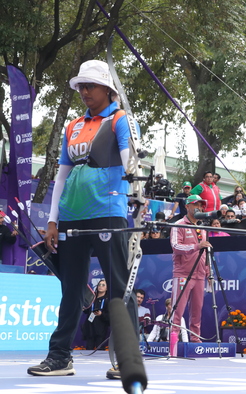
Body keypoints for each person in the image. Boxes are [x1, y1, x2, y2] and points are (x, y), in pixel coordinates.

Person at [28, 60, 140, 377]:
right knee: (72, 290)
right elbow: (61, 176)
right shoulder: (73, 126)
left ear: (107, 89)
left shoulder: (120, 120)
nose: (84, 91)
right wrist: (53, 220)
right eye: (81, 86)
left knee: (118, 288)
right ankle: (60, 357)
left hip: (108, 214)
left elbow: (131, 163)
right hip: (71, 218)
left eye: (90, 85)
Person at [170, 195, 212, 342]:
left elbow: (204, 253)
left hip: (199, 275)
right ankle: (173, 340)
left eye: (201, 205)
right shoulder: (178, 224)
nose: (199, 207)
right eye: (196, 205)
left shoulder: (202, 228)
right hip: (183, 274)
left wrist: (209, 274)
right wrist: (196, 246)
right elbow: (175, 246)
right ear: (187, 206)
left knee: (197, 310)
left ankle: (195, 339)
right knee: (177, 310)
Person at [82, 279, 110, 350]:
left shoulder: (107, 300)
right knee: (89, 347)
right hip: (90, 325)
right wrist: (84, 308)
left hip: (101, 327)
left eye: (103, 285)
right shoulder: (92, 297)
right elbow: (87, 310)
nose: (101, 286)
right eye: (99, 285)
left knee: (99, 348)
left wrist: (101, 314)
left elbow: (110, 315)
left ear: (107, 288)